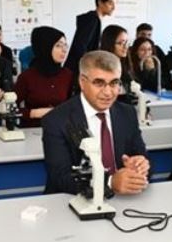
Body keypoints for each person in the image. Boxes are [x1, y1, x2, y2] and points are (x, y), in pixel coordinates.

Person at [42, 51, 150, 195]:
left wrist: (140, 166)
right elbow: (61, 178)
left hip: (123, 199)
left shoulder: (127, 113)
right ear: (82, 82)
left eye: (114, 83)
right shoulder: (57, 120)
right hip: (71, 200)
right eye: (99, 83)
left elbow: (143, 158)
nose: (108, 92)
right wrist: (110, 182)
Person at [14, 26, 73, 128]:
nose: (64, 50)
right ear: (45, 47)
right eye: (58, 46)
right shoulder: (27, 77)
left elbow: (75, 106)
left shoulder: (68, 75)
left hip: (60, 129)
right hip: (33, 130)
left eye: (65, 45)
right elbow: (10, 109)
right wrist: (33, 113)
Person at [65, 0, 121, 76]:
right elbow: (80, 46)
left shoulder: (94, 19)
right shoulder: (92, 19)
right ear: (100, 2)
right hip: (78, 70)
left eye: (115, 4)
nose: (114, 7)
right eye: (110, 3)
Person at [100, 24, 135, 101]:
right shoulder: (102, 68)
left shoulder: (124, 65)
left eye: (126, 43)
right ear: (109, 44)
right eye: (120, 43)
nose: (125, 47)